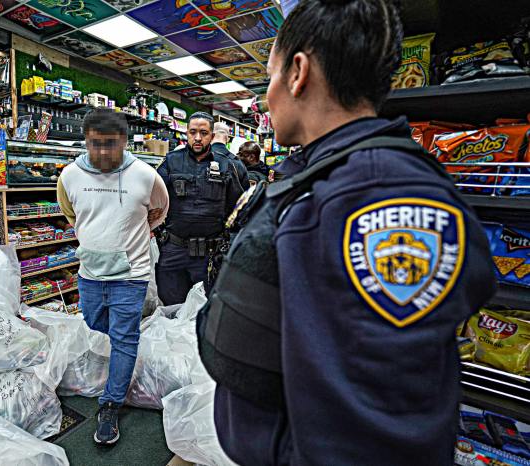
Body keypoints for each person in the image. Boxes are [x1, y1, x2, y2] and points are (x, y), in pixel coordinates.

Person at [197, 1, 496, 465]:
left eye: (270, 75)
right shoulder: (335, 176)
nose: (265, 96)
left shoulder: (373, 195)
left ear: (298, 73)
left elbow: (367, 431)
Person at [57, 108, 169, 446]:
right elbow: (70, 214)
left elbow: (159, 212)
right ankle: (128, 344)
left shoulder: (146, 176)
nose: (103, 152)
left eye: (111, 144)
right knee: (93, 319)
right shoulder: (69, 176)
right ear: (86, 141)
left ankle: (110, 404)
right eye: (95, 144)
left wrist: (131, 236)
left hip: (131, 274)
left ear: (124, 141)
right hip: (90, 271)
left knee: (123, 337)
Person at [156, 112, 248, 305]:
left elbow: (240, 210)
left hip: (210, 256)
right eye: (193, 132)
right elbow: (151, 198)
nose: (198, 138)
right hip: (174, 254)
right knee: (172, 311)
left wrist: (231, 246)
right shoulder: (171, 162)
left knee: (207, 315)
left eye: (204, 133)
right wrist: (156, 231)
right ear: (186, 134)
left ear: (212, 136)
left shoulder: (229, 165)